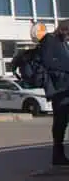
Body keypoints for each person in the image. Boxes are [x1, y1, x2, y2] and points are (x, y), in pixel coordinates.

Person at [40, 20, 69, 166]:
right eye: (68, 33)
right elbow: (47, 62)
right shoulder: (49, 39)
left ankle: (60, 155)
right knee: (60, 122)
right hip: (59, 89)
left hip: (66, 88)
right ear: (63, 30)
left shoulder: (63, 42)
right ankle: (58, 156)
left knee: (63, 122)